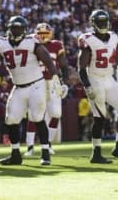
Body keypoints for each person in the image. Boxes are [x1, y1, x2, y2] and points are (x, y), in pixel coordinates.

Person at [0, 15, 62, 166]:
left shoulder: (32, 41)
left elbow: (46, 58)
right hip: (19, 87)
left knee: (38, 118)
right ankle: (15, 154)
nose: (17, 31)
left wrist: (55, 75)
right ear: (9, 29)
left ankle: (45, 154)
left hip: (36, 84)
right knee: (11, 119)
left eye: (19, 28)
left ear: (24, 30)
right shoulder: (2, 43)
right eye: (14, 28)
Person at [78, 9, 118, 164]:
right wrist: (87, 86)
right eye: (99, 22)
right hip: (95, 78)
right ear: (93, 24)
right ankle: (96, 153)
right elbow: (81, 68)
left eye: (104, 22)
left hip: (108, 78)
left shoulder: (113, 37)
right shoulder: (88, 39)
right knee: (100, 116)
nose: (103, 25)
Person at [24, 23, 70, 157]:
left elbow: (63, 64)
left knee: (56, 113)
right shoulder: (31, 44)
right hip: (36, 83)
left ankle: (48, 143)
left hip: (52, 82)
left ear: (50, 34)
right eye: (41, 33)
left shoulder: (56, 45)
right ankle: (30, 146)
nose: (43, 36)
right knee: (34, 115)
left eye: (46, 33)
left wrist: (65, 82)